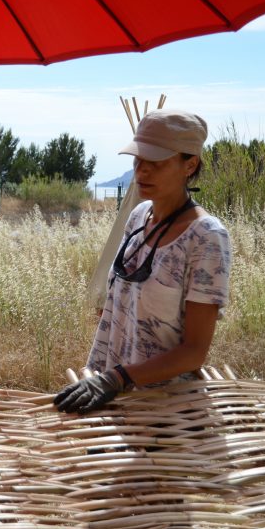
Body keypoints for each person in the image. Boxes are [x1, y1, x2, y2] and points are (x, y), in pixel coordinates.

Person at [54, 109, 231, 414]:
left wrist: (119, 378)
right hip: (114, 398)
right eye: (138, 160)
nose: (142, 172)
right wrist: (105, 378)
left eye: (156, 163)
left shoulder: (206, 237)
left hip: (163, 412)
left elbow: (194, 352)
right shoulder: (139, 216)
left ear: (190, 165)